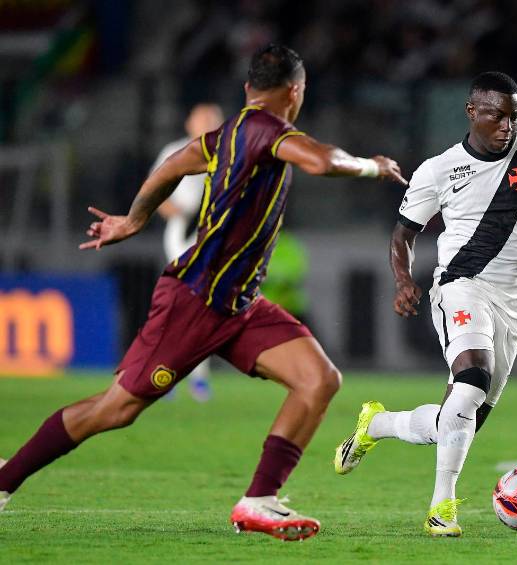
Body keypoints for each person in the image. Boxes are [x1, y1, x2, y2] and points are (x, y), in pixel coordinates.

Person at [0, 44, 405, 541]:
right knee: (116, 409)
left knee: (318, 379)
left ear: (247, 89)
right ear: (295, 92)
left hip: (239, 303)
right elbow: (322, 162)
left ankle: (258, 501)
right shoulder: (267, 129)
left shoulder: (225, 134)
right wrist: (372, 166)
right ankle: (4, 479)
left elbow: (173, 164)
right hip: (196, 299)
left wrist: (134, 219)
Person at [333, 72, 517, 537]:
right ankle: (442, 509)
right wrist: (403, 280)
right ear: (472, 112)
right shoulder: (438, 170)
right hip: (461, 286)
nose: (506, 125)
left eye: (513, 116)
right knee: (472, 381)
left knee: (461, 418)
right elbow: (404, 234)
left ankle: (379, 424)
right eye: (496, 115)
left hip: (515, 305)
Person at [152, 103, 224, 402]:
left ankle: (195, 377)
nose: (207, 122)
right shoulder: (176, 150)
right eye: (202, 118)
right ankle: (167, 372)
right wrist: (175, 211)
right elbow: (156, 191)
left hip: (216, 236)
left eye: (213, 118)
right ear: (188, 123)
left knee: (204, 308)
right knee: (185, 303)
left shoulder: (229, 151)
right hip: (183, 234)